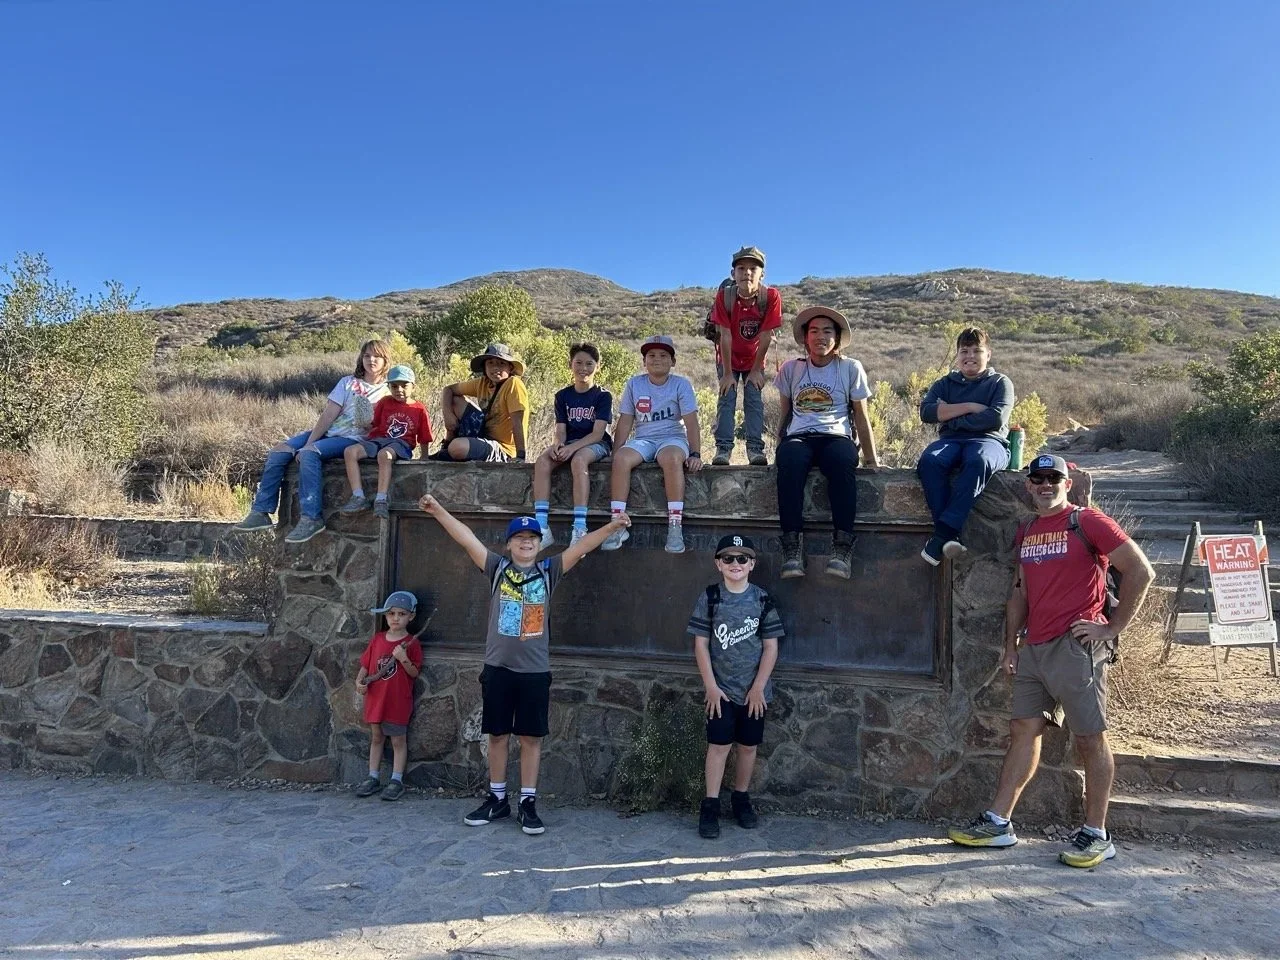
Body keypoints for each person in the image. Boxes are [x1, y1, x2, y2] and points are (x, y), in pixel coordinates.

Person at [948, 454, 1154, 869]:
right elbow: (1019, 592)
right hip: (1034, 648)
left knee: (1089, 737)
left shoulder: (1088, 521)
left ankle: (1097, 834)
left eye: (1053, 478)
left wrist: (1111, 629)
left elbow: (1140, 571)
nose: (1046, 484)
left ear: (1067, 482)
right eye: (1038, 478)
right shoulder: (1027, 529)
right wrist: (1011, 645)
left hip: (1076, 647)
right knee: (1023, 729)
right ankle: (999, 823)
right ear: (1028, 485)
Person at [418, 495, 631, 835]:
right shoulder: (496, 568)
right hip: (498, 668)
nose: (526, 542)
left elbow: (582, 547)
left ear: (539, 544)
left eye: (532, 538)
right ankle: (498, 798)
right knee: (498, 734)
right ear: (510, 544)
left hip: (534, 671)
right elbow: (466, 537)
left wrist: (613, 525)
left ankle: (528, 802)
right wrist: (438, 510)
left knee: (531, 737)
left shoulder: (550, 572)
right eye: (520, 538)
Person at [233, 338, 391, 544]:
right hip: (330, 432)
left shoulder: (388, 390)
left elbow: (386, 427)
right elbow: (328, 415)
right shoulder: (347, 382)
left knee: (310, 454)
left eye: (377, 356)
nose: (371, 360)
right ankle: (260, 511)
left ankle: (311, 518)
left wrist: (369, 425)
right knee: (279, 452)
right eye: (367, 355)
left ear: (385, 360)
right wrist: (310, 441)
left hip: (352, 438)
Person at [687, 534, 784, 839]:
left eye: (742, 559)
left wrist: (758, 688)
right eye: (728, 558)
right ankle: (711, 804)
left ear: (752, 564)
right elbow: (701, 645)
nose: (735, 564)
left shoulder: (762, 600)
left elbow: (771, 647)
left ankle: (741, 798)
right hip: (721, 692)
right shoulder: (711, 598)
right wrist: (711, 687)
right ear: (718, 564)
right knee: (718, 746)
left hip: (754, 693)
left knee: (748, 746)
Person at [774, 307, 880, 580]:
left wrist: (871, 459)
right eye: (814, 331)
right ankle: (791, 547)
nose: (820, 336)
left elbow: (861, 414)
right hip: (800, 436)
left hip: (836, 435)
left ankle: (842, 547)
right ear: (805, 338)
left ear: (837, 337)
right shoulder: (791, 368)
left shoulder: (849, 368)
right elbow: (785, 413)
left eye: (827, 331)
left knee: (842, 461)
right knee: (790, 462)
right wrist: (778, 445)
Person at [917, 327, 1015, 565]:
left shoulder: (1000, 382)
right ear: (957, 355)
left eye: (976, 350)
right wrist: (971, 406)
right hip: (950, 441)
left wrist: (949, 414)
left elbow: (995, 418)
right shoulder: (945, 383)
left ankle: (943, 534)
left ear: (988, 354)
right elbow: (927, 412)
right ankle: (950, 535)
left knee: (977, 461)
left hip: (990, 442)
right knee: (929, 461)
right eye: (964, 351)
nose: (970, 356)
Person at [601, 335, 702, 554]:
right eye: (651, 355)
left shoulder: (681, 385)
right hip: (644, 439)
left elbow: (692, 422)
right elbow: (626, 419)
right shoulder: (634, 384)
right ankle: (617, 524)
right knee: (621, 458)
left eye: (664, 355)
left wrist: (695, 453)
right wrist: (616, 450)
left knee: (671, 458)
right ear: (644, 361)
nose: (657, 359)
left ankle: (675, 525)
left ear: (673, 361)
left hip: (672, 438)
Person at [531, 343, 613, 548]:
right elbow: (560, 429)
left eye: (589, 364)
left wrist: (571, 449)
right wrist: (558, 446)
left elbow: (597, 433)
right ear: (570, 365)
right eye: (578, 363)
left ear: (598, 366)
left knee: (579, 461)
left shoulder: (603, 396)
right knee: (543, 461)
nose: (583, 368)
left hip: (596, 444)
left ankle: (580, 527)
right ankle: (542, 527)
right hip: (569, 443)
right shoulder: (562, 396)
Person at [709, 246, 782, 466]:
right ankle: (723, 450)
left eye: (753, 268)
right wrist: (728, 373)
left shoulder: (770, 296)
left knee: (753, 401)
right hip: (728, 357)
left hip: (755, 358)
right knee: (727, 399)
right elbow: (725, 335)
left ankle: (754, 450)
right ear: (733, 274)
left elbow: (767, 335)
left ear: (762, 274)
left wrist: (756, 370)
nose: (747, 273)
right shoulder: (725, 296)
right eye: (741, 268)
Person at [353, 590, 424, 802]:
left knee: (398, 741)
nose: (396, 618)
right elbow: (366, 665)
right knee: (376, 738)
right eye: (391, 614)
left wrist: (402, 658)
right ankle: (373, 776)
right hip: (376, 699)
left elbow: (414, 672)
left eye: (401, 614)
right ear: (385, 616)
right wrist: (359, 682)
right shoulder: (377, 640)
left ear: (410, 616)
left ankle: (396, 779)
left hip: (397, 702)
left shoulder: (411, 643)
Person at [340, 364, 433, 519]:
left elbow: (424, 436)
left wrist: (424, 457)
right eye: (394, 386)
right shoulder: (385, 402)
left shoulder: (419, 409)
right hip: (379, 439)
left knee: (385, 455)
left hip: (400, 444)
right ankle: (358, 496)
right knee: (350, 452)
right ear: (389, 387)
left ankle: (381, 499)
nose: (399, 390)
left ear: (413, 386)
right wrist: (363, 420)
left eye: (404, 385)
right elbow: (374, 423)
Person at [436, 343, 529, 463]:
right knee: (455, 401)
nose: (495, 368)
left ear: (510, 368)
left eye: (501, 363)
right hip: (484, 434)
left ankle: (453, 449)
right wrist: (448, 417)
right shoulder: (482, 383)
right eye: (490, 363)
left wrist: (520, 456)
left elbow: (518, 422)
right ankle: (445, 447)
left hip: (503, 448)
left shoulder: (513, 384)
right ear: (484, 367)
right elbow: (448, 389)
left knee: (456, 448)